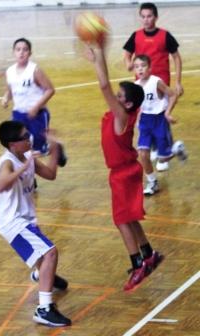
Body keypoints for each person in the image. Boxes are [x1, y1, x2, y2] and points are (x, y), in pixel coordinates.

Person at [85, 42, 163, 291]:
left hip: (123, 173)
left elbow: (104, 85)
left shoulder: (121, 116)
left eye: (120, 97)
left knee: (121, 220)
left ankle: (138, 263)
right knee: (129, 218)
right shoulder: (123, 113)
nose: (114, 98)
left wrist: (99, 55)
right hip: (127, 171)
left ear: (128, 105)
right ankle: (148, 253)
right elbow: (108, 87)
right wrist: (98, 59)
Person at [0, 120, 71, 327]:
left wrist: (55, 149)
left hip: (25, 218)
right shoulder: (7, 162)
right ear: (13, 145)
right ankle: (44, 309)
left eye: (28, 135)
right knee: (50, 253)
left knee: (44, 253)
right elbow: (1, 185)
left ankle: (43, 275)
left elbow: (51, 175)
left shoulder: (27, 157)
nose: (29, 139)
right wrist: (25, 167)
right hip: (11, 222)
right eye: (24, 137)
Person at [123, 2, 184, 171]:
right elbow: (127, 54)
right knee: (146, 115)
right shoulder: (136, 36)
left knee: (162, 116)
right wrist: (129, 63)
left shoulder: (165, 36)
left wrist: (178, 81)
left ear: (156, 17)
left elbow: (177, 58)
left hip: (160, 83)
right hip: (142, 86)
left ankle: (164, 153)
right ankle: (157, 148)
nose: (146, 20)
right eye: (143, 16)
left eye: (149, 16)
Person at [1, 38, 67, 171]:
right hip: (18, 114)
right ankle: (31, 177)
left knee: (38, 149)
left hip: (37, 115)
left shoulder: (34, 70)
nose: (21, 53)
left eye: (25, 50)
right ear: (13, 52)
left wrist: (36, 106)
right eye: (18, 50)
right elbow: (10, 89)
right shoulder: (9, 72)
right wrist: (6, 98)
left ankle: (56, 146)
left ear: (30, 53)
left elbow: (50, 90)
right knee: (21, 147)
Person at [133, 54, 188, 196]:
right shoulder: (136, 86)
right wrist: (137, 119)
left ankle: (176, 149)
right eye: (137, 66)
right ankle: (152, 182)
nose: (140, 69)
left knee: (163, 158)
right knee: (142, 154)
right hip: (145, 122)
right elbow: (139, 106)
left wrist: (167, 113)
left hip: (159, 121)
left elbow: (173, 95)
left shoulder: (156, 82)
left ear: (150, 68)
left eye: (143, 66)